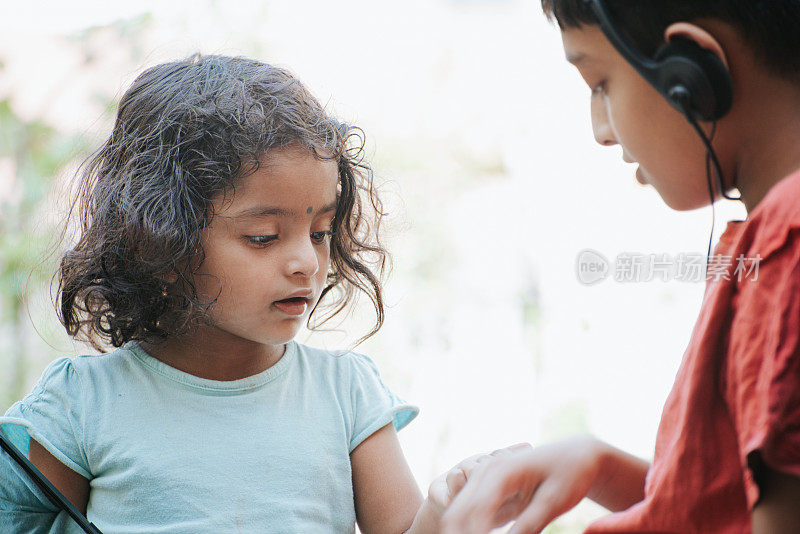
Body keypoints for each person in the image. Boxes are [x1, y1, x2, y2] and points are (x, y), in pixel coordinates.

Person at [0, 53, 475, 533]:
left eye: (320, 232)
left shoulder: (347, 394)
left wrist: (445, 507)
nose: (307, 262)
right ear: (159, 244)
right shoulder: (82, 404)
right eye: (264, 236)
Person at [440, 0, 800, 533]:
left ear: (693, 69)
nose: (601, 130)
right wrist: (603, 468)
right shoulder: (766, 242)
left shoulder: (786, 241)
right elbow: (730, 514)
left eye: (600, 83)